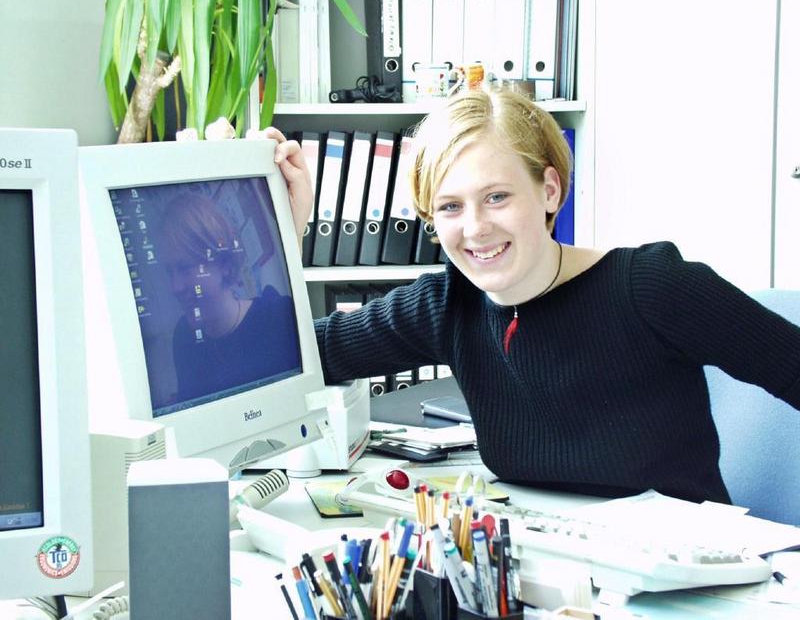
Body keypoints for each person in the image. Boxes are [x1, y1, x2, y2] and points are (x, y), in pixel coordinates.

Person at [265, 88, 800, 505]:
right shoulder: (447, 306)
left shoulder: (651, 287)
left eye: (496, 197)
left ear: (549, 190)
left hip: (693, 589)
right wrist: (281, 235)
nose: (475, 229)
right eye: (449, 207)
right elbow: (285, 358)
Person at [159, 191, 300, 405]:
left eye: (185, 268)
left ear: (224, 264)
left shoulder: (279, 316)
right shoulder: (184, 336)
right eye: (170, 271)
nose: (175, 287)